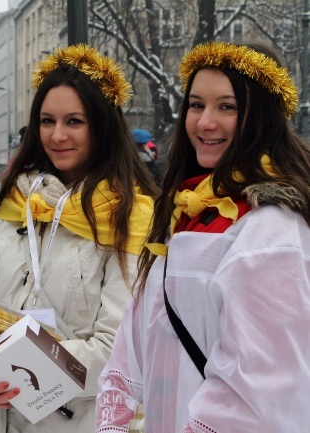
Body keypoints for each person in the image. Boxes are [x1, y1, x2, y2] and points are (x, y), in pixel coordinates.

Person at [96, 41, 310, 433]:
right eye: (196, 105)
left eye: (226, 107)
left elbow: (259, 386)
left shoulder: (272, 229)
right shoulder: (187, 211)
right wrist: (115, 416)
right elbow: (136, 341)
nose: (205, 122)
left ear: (262, 117)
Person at [0, 44, 157, 432]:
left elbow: (119, 351)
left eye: (74, 121)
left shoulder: (130, 217)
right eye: (47, 121)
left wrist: (10, 359)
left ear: (102, 126)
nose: (57, 135)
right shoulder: (13, 206)